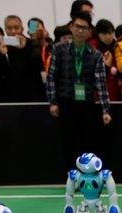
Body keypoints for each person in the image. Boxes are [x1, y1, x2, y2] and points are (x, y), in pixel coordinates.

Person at [46, 11, 111, 166]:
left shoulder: (96, 55)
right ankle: (71, 176)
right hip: (66, 102)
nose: (81, 31)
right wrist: (53, 102)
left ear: (90, 31)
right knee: (68, 141)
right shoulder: (59, 49)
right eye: (78, 27)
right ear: (71, 27)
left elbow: (101, 84)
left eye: (85, 28)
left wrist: (105, 110)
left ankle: (86, 175)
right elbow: (51, 77)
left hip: (87, 104)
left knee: (87, 141)